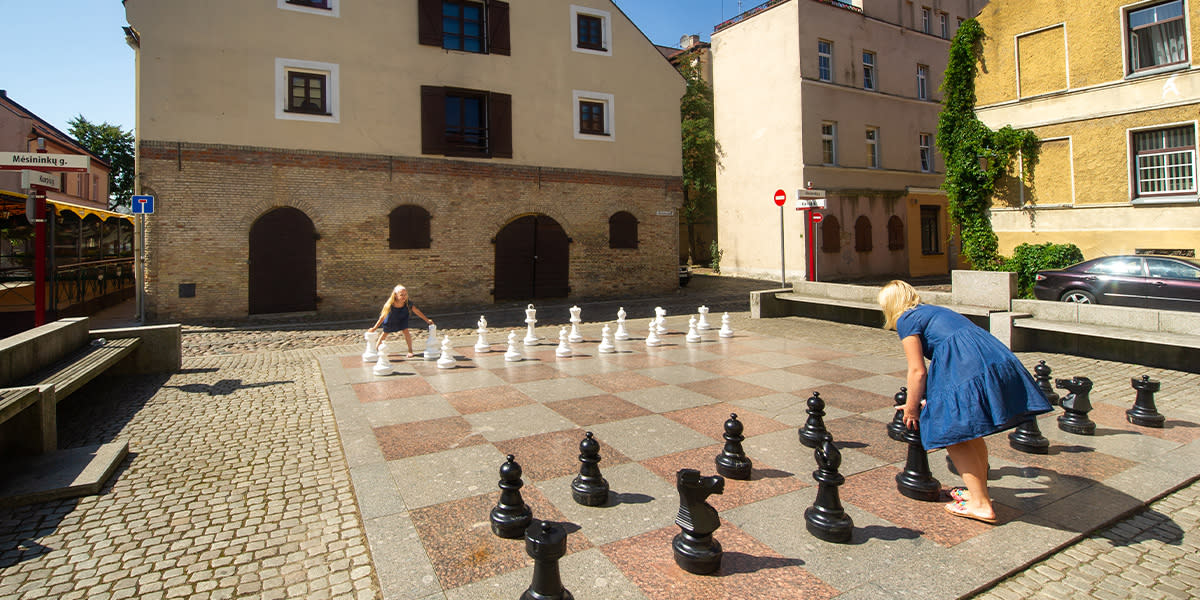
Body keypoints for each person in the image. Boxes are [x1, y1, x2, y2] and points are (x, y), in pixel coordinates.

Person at [877, 280, 1052, 524]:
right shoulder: (933, 311)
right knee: (971, 431)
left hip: (964, 364)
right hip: (991, 355)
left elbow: (917, 371)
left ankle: (980, 505)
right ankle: (979, 493)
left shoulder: (906, 319)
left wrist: (912, 407)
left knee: (954, 434)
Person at [368, 285, 433, 358]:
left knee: (406, 332)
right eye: (401, 295)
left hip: (402, 317)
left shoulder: (408, 303)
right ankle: (375, 350)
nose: (404, 297)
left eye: (405, 294)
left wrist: (427, 320)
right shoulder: (390, 304)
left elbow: (417, 311)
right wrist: (374, 328)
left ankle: (410, 350)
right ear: (395, 295)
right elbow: (382, 317)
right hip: (391, 318)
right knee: (384, 334)